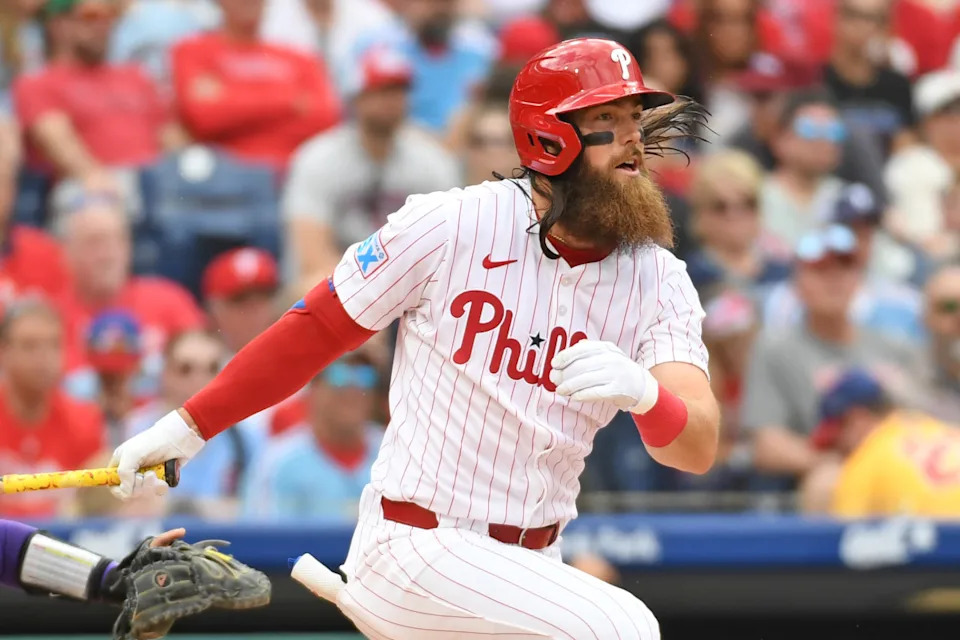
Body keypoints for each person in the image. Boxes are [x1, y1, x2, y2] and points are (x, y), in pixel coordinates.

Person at [110, 38, 719, 638]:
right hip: (416, 546)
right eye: (606, 120)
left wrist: (646, 395)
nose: (634, 137)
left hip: (532, 566)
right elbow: (317, 328)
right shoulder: (452, 224)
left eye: (635, 118)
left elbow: (694, 447)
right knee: (621, 627)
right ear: (549, 137)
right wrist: (189, 427)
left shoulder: (657, 277)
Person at [742, 225, 923, 485]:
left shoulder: (898, 347)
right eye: (820, 270)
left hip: (902, 476)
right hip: (822, 482)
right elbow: (767, 446)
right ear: (797, 282)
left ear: (860, 279)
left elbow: (925, 427)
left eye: (845, 268)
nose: (834, 279)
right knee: (827, 481)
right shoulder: (775, 349)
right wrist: (857, 464)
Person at [283, 46, 459, 287]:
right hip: (337, 282)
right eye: (382, 91)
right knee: (311, 282)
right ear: (356, 97)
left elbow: (450, 243)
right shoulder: (318, 158)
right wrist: (370, 293)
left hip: (411, 284)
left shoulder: (432, 159)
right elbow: (312, 256)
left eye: (399, 91)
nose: (393, 101)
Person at [12, 0, 182, 182]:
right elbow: (59, 145)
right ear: (59, 25)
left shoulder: (135, 76)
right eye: (91, 17)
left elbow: (169, 137)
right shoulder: (38, 83)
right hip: (90, 185)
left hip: (155, 181)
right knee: (98, 208)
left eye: (110, 18)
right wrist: (98, 180)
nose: (104, 26)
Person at [171, 0, 341, 169]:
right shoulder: (192, 51)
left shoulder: (300, 58)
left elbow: (324, 119)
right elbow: (205, 117)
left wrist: (231, 100)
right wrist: (289, 100)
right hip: (223, 175)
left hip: (294, 170)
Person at [800, 368, 960, 519]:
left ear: (858, 420)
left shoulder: (867, 458)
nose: (840, 452)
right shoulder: (942, 430)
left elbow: (844, 536)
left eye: (837, 439)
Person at [243, 353, 384, 522]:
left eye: (365, 375)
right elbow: (263, 541)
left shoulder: (395, 453)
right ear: (313, 388)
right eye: (340, 375)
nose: (353, 388)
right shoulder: (279, 461)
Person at [0, 299, 105, 519]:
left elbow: (93, 509)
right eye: (30, 346)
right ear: (4, 351)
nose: (44, 357)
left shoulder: (84, 420)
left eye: (53, 344)